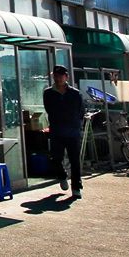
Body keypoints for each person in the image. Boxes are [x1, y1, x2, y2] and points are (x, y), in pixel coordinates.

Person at [43, 65, 86, 198]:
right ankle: (62, 176)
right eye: (56, 76)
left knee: (75, 160)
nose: (58, 79)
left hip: (73, 131)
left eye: (61, 76)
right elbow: (48, 109)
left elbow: (81, 111)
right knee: (56, 158)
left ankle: (76, 187)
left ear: (66, 77)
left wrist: (77, 125)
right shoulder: (48, 93)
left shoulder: (75, 93)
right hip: (57, 131)